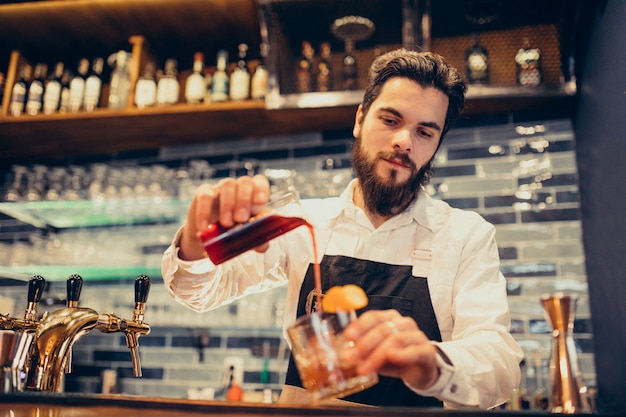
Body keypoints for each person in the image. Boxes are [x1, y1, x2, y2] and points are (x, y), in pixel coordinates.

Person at [161, 49, 523, 409]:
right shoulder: (302, 223)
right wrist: (196, 245)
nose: (404, 141)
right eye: (390, 120)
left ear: (436, 145)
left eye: (425, 131)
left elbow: (500, 366)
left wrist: (431, 365)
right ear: (360, 119)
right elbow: (199, 292)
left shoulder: (466, 236)